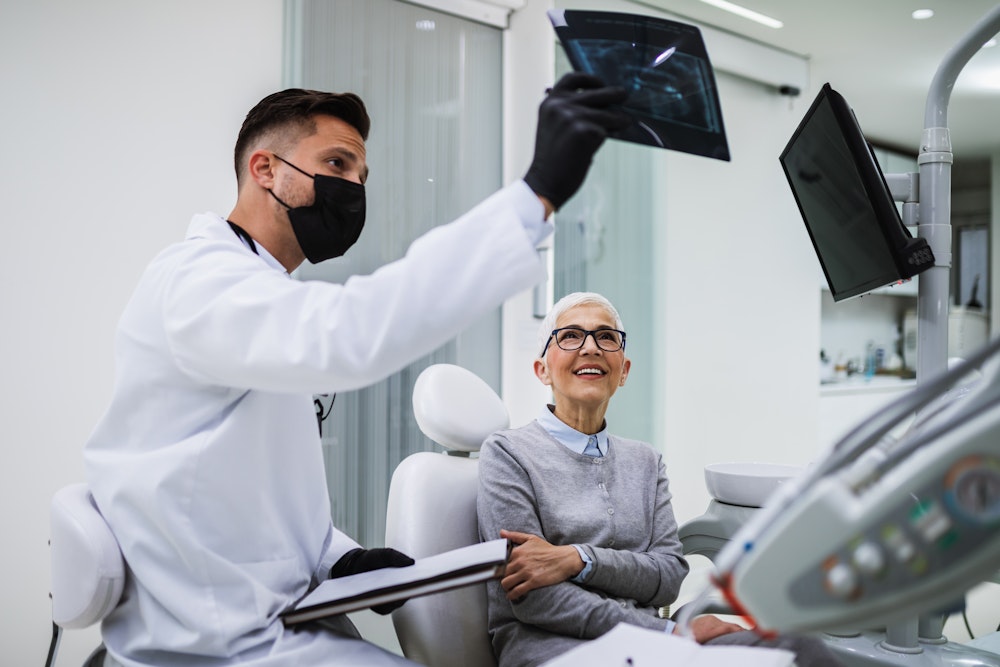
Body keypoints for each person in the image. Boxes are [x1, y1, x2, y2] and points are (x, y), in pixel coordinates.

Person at [82, 76, 630, 667]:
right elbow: (351, 331)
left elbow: (256, 500)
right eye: (337, 163)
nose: (352, 188)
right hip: (213, 646)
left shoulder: (259, 293)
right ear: (265, 168)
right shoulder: (198, 281)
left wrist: (339, 558)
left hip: (277, 623)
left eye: (361, 177)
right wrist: (535, 196)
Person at [476, 292, 841, 667]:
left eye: (606, 337)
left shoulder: (645, 461)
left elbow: (668, 576)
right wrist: (670, 633)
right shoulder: (508, 453)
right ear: (543, 370)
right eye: (570, 336)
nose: (590, 348)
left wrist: (578, 559)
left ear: (624, 371)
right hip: (555, 648)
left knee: (799, 649)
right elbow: (534, 598)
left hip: (657, 645)